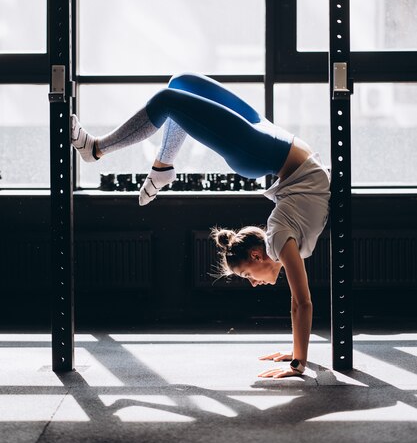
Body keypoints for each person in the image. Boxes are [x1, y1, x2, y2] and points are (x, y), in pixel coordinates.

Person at [72, 72, 330, 379]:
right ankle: (97, 149)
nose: (252, 282)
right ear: (258, 256)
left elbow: (297, 303)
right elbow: (302, 302)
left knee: (180, 88)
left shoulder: (281, 240)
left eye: (245, 276)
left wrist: (298, 353)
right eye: (248, 274)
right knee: (174, 93)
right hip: (262, 149)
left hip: (271, 148)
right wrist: (298, 363)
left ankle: (162, 167)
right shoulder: (279, 240)